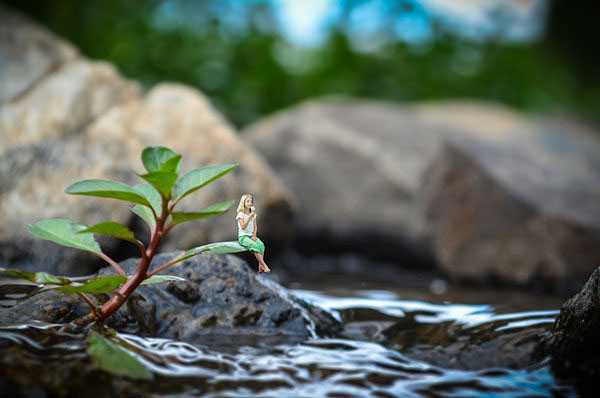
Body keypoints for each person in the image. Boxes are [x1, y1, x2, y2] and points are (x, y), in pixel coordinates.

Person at [236, 193, 271, 273]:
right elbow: (243, 227)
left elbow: (255, 226)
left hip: (251, 235)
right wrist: (249, 217)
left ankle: (260, 266)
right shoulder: (240, 215)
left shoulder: (253, 214)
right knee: (254, 246)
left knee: (261, 245)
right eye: (247, 201)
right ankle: (264, 265)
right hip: (243, 237)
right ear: (243, 203)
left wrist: (254, 235)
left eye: (251, 201)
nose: (250, 203)